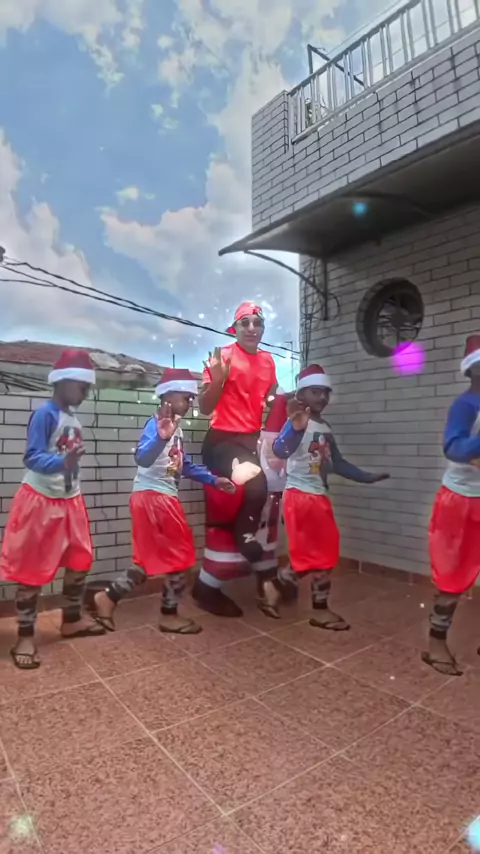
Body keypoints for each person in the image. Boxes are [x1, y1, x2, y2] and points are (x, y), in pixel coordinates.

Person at [94, 368, 235, 635]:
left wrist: (213, 480)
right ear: (167, 396)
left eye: (191, 398)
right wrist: (161, 437)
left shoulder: (174, 429)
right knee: (180, 558)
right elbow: (142, 458)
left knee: (148, 561)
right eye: (186, 397)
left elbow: (183, 465)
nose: (190, 402)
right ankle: (168, 615)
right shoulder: (158, 425)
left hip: (155, 498)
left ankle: (108, 597)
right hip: (155, 498)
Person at [0, 349, 104, 670]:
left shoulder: (72, 417)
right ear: (63, 382)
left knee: (79, 561)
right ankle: (25, 635)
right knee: (32, 569)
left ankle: (71, 619)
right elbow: (32, 457)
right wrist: (63, 461)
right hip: (40, 500)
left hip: (70, 500)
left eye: (88, 388)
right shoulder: (45, 414)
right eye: (82, 387)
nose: (85, 393)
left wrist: (68, 465)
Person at [272, 364, 390, 629]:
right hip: (299, 496)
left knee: (324, 553)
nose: (323, 397)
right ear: (302, 394)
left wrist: (366, 477)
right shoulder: (296, 422)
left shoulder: (324, 426)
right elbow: (280, 450)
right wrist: (295, 428)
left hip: (318, 497)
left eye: (326, 392)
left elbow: (337, 463)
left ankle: (283, 587)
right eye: (316, 391)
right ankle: (299, 597)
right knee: (311, 555)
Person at [193, 300, 280, 617]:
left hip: (249, 441)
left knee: (264, 486)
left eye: (258, 323)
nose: (252, 328)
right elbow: (205, 408)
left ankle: (260, 574)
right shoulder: (223, 356)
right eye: (246, 323)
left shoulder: (268, 361)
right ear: (235, 328)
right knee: (255, 480)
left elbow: (271, 397)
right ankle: (244, 535)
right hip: (222, 442)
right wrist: (218, 379)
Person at [197, 393, 291, 619]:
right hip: (231, 511)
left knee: (265, 553)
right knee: (225, 560)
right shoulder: (224, 440)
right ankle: (205, 590)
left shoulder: (257, 436)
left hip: (261, 513)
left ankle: (268, 584)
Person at [422, 335, 480, 677]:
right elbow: (453, 448)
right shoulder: (466, 405)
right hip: (460, 501)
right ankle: (435, 643)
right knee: (452, 576)